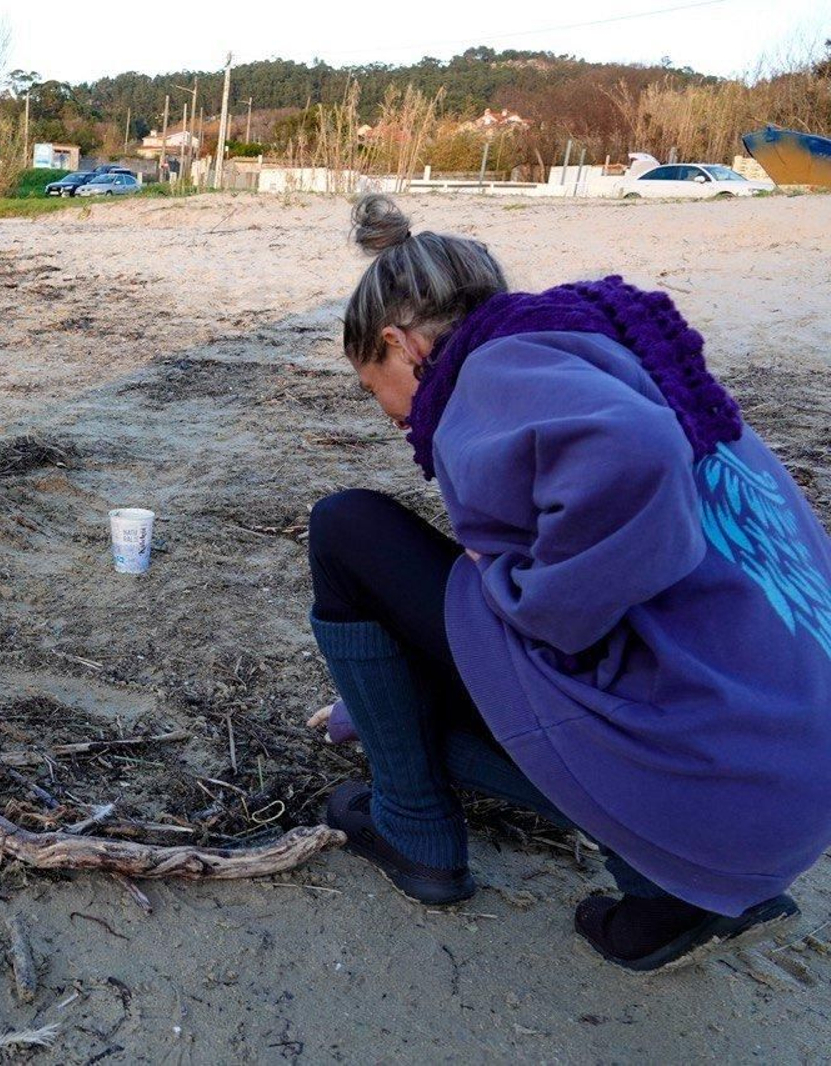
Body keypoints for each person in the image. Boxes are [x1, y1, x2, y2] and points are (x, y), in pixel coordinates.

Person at [307, 194, 831, 972]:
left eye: (370, 385)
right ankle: (666, 895)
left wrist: (530, 598)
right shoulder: (620, 358)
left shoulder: (494, 369)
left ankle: (414, 827)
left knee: (347, 528)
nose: (386, 415)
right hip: (778, 774)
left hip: (704, 782)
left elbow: (636, 455)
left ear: (401, 344)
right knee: (473, 592)